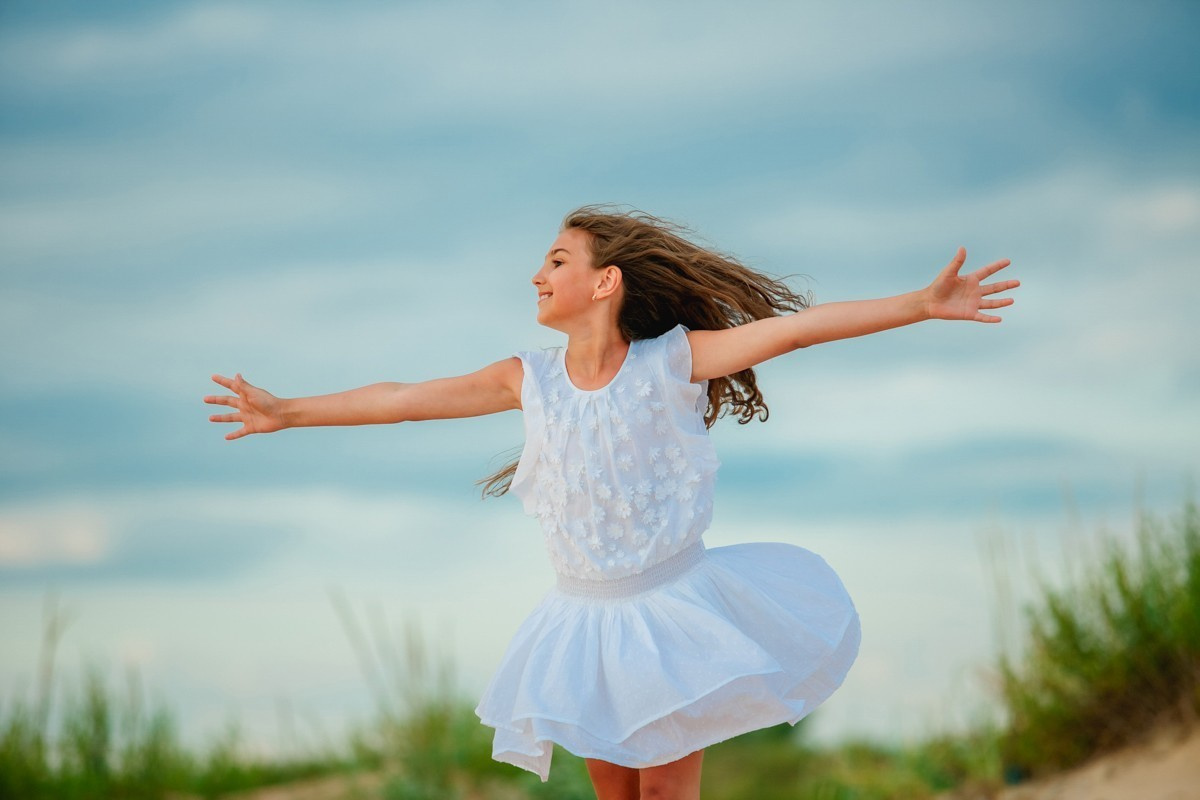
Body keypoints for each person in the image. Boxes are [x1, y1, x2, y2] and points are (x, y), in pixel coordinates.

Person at [205, 206, 1018, 800]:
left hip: (671, 612)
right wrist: (288, 411)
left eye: (556, 260)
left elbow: (795, 331)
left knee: (664, 796)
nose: (537, 274)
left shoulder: (672, 363)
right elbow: (402, 399)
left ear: (605, 281)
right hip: (584, 624)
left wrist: (916, 304)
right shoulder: (528, 379)